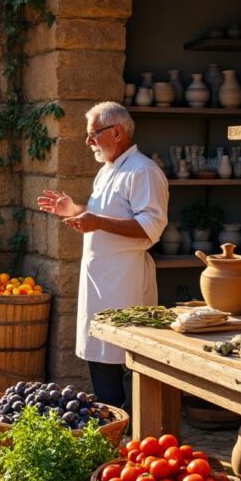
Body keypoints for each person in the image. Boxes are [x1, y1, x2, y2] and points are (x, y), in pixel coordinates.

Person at [37, 101, 168, 408]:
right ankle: (112, 425)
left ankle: (135, 428)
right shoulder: (106, 172)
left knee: (129, 359)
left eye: (93, 134)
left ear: (118, 132)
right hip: (98, 281)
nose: (88, 142)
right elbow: (101, 215)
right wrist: (76, 210)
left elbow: (151, 227)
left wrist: (95, 221)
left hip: (126, 281)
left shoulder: (143, 172)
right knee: (100, 356)